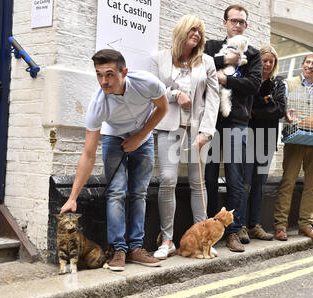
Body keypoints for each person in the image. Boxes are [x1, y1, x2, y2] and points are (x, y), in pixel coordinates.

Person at [60, 49, 169, 271]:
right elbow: (88, 154)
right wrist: (73, 197)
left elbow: (162, 108)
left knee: (139, 192)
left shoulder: (147, 83)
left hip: (144, 137)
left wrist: (139, 137)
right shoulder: (97, 104)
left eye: (109, 74)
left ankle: (136, 248)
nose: (104, 81)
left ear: (124, 72)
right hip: (113, 137)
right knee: (117, 191)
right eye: (99, 75)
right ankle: (118, 249)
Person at [150, 15, 220, 259]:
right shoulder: (159, 58)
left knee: (197, 183)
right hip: (169, 126)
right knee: (167, 179)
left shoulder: (207, 62)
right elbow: (153, 90)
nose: (197, 35)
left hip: (197, 129)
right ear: (181, 31)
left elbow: (213, 99)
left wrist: (206, 132)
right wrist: (175, 94)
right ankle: (167, 239)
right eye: (193, 30)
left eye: (200, 32)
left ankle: (203, 237)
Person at [204, 4, 262, 252]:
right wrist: (223, 61)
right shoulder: (211, 47)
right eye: (234, 20)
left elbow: (254, 84)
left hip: (237, 122)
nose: (238, 25)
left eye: (242, 22)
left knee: (235, 178)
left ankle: (233, 231)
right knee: (208, 178)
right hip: (210, 121)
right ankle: (208, 228)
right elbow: (199, 66)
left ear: (246, 26)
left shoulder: (252, 53)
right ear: (225, 22)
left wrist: (226, 78)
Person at [273, 53, 313, 241]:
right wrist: (286, 117)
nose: (310, 66)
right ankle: (280, 226)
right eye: (308, 62)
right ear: (302, 65)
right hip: (294, 139)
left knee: (312, 185)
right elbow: (282, 110)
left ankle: (306, 224)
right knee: (288, 182)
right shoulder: (289, 84)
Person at [240, 44, 286, 242]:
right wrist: (264, 102)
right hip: (249, 137)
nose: (267, 64)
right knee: (245, 183)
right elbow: (244, 107)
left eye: (271, 61)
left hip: (267, 138)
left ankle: (254, 224)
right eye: (264, 60)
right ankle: (240, 225)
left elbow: (280, 109)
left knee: (259, 184)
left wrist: (256, 111)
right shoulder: (252, 80)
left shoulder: (278, 84)